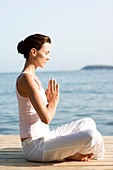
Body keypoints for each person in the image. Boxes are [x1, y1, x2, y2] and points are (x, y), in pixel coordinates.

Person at [16, 33, 105, 162]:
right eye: (46, 53)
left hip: (46, 137)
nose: (48, 57)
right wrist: (53, 102)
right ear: (34, 52)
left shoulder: (33, 77)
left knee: (88, 122)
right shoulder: (26, 79)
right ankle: (90, 154)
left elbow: (39, 113)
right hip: (35, 147)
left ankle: (67, 152)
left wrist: (49, 102)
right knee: (93, 136)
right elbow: (46, 118)